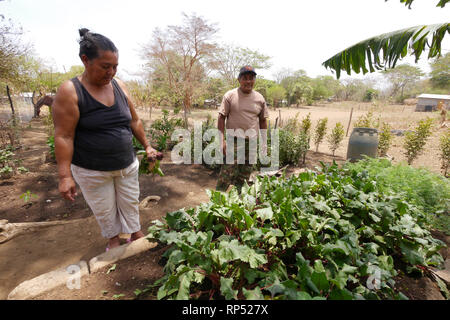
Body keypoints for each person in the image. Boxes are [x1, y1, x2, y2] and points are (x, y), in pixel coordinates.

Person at [52, 28, 158, 251]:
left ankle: (135, 233)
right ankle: (113, 240)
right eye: (105, 66)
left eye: (115, 66)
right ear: (85, 60)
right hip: (92, 170)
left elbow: (134, 121)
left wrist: (147, 146)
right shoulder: (70, 91)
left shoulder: (119, 85)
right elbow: (64, 135)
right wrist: (64, 176)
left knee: (129, 201)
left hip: (126, 164)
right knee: (105, 208)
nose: (111, 72)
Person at [216, 65, 269, 191]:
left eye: (251, 78)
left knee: (244, 175)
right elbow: (221, 118)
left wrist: (264, 142)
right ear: (239, 79)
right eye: (245, 78)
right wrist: (221, 140)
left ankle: (239, 203)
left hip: (251, 143)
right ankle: (216, 202)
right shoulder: (230, 96)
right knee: (226, 174)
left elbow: (262, 121)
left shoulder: (259, 98)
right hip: (233, 141)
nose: (248, 81)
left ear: (254, 80)